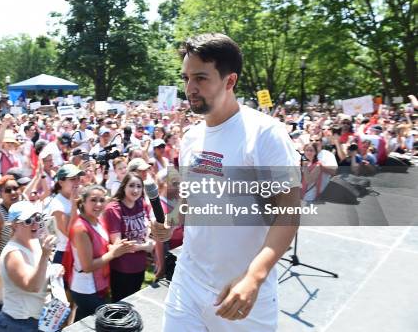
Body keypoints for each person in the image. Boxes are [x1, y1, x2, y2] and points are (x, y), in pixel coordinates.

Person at [161, 33, 300, 331]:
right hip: (187, 281)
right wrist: (170, 221)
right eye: (186, 78)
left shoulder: (265, 134)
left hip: (242, 294)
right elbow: (189, 198)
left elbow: (288, 214)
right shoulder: (190, 137)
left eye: (200, 78)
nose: (190, 88)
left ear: (230, 81)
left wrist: (254, 277)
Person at [65, 185, 134, 321]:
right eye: (93, 200)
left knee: (83, 320)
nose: (98, 204)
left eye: (102, 200)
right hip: (85, 289)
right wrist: (114, 253)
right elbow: (87, 266)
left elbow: (101, 246)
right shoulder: (81, 229)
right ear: (83, 202)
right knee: (105, 322)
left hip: (98, 285)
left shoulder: (98, 220)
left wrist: (114, 247)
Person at [0, 201, 56, 332]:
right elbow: (32, 286)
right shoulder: (13, 253)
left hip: (40, 319)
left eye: (37, 218)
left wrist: (55, 271)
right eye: (28, 221)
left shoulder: (34, 241)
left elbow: (41, 271)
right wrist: (45, 255)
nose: (35, 224)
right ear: (14, 225)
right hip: (20, 324)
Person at [102, 172, 156, 302]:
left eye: (139, 186)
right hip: (122, 269)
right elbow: (119, 245)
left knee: (134, 302)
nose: (136, 190)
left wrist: (149, 236)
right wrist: (145, 246)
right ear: (124, 186)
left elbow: (147, 225)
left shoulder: (141, 203)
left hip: (140, 265)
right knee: (121, 307)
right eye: (131, 185)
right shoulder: (113, 209)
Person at [45, 164, 84, 264]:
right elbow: (69, 233)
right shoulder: (57, 204)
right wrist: (75, 205)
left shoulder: (73, 198)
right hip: (65, 256)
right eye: (72, 179)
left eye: (78, 178)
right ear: (61, 182)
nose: (77, 182)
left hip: (76, 253)